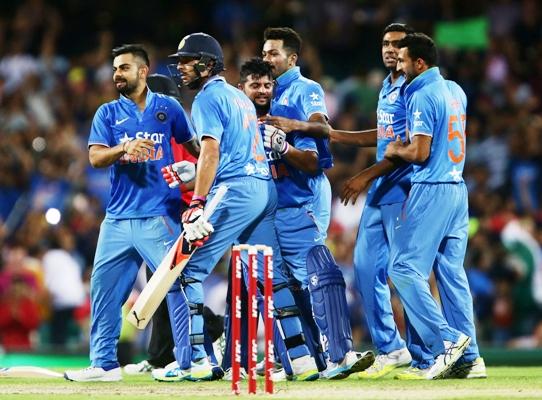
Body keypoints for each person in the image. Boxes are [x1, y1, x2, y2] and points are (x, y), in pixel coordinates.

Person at [156, 32, 320, 382]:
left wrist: (198, 201)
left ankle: (197, 360)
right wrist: (197, 174)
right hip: (264, 190)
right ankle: (301, 357)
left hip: (235, 192)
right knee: (273, 280)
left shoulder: (206, 98)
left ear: (207, 63)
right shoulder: (238, 96)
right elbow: (230, 151)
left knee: (188, 272)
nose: (181, 67)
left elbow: (213, 152)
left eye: (188, 60)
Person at [64, 44, 199, 382]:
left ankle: (188, 361)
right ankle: (104, 364)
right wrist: (124, 146)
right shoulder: (107, 114)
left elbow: (196, 148)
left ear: (143, 71)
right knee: (104, 290)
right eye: (114, 69)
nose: (116, 75)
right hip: (117, 219)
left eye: (123, 68)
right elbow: (95, 158)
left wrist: (196, 171)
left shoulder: (169, 108)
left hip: (159, 215)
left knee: (175, 285)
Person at [261, 27, 374, 379]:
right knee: (282, 284)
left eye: (273, 53)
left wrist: (288, 136)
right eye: (264, 53)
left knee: (317, 275)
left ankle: (339, 354)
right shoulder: (262, 93)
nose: (267, 59)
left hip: (303, 196)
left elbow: (319, 125)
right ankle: (300, 360)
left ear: (292, 58)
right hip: (272, 204)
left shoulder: (304, 89)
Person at [383, 33, 479, 379]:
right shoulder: (456, 90)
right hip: (458, 187)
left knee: (403, 270)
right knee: (451, 273)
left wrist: (395, 150)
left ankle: (448, 341)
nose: (399, 64)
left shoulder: (422, 93)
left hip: (432, 187)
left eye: (404, 59)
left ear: (419, 64)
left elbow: (419, 152)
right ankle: (472, 359)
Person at [332, 23, 415, 379]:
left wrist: (365, 175)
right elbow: (382, 137)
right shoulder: (386, 85)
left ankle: (426, 351)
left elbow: (410, 147)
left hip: (403, 190)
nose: (390, 49)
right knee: (366, 269)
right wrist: (336, 134)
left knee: (405, 273)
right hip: (380, 191)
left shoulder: (415, 90)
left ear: (411, 53)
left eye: (397, 45)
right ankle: (391, 348)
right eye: (385, 43)